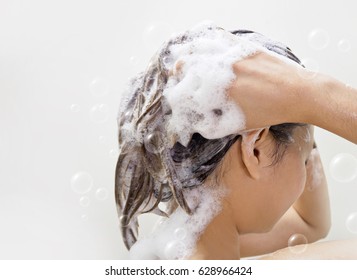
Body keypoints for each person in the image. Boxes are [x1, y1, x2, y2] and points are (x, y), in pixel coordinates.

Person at [115, 23, 355, 259]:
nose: (304, 178)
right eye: (303, 159)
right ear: (255, 150)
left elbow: (310, 223)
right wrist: (312, 93)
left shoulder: (172, 250)